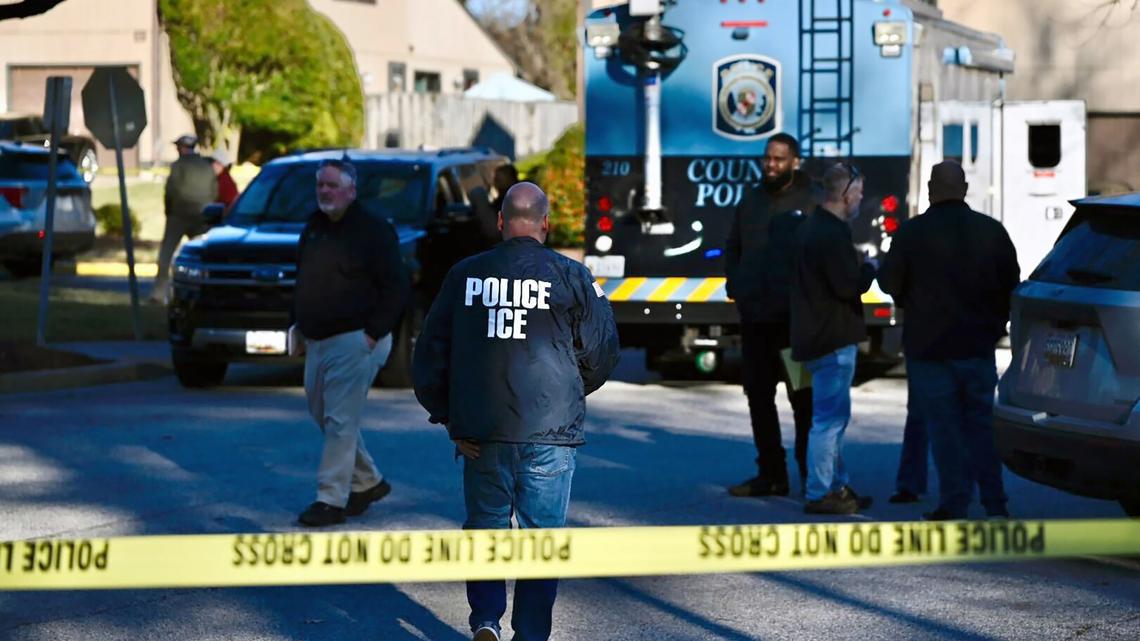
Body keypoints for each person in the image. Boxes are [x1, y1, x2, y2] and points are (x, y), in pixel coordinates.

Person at [413, 182, 620, 641]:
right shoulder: (573, 276)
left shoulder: (464, 275)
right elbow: (603, 352)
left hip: (481, 433)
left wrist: (449, 418)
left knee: (485, 530)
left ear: (502, 222)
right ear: (546, 223)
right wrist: (570, 390)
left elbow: (430, 354)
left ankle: (486, 620)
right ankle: (530, 634)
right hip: (550, 433)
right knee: (541, 540)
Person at [878, 161, 1020, 520]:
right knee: (981, 428)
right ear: (965, 188)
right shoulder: (992, 232)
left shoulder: (911, 233)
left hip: (929, 348)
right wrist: (994, 324)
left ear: (930, 190)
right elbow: (1011, 285)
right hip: (977, 345)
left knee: (944, 431)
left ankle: (955, 502)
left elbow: (889, 283)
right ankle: (995, 501)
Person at [291, 158, 411, 527]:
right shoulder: (314, 226)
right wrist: (295, 325)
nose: (325, 192)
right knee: (324, 416)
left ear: (351, 189)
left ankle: (330, 499)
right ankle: (368, 482)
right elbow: (304, 279)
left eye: (332, 185)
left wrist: (373, 332)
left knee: (340, 421)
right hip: (316, 339)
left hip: (356, 340)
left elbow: (397, 286)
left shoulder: (374, 230)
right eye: (320, 186)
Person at [724, 133, 816, 497]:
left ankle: (814, 477)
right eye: (767, 158)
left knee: (802, 401)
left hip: (795, 326)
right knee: (759, 398)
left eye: (778, 159)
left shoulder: (811, 200)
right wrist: (736, 285)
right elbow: (733, 246)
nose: (770, 165)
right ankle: (771, 474)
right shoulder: (752, 200)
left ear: (795, 161)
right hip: (756, 322)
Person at [790, 162, 876, 515]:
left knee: (831, 418)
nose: (860, 199)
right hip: (832, 339)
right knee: (828, 420)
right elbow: (846, 285)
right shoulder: (833, 233)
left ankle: (838, 486)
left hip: (812, 337)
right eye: (857, 193)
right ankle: (821, 491)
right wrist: (868, 269)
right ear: (843, 194)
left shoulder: (810, 228)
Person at [150, 134, 217, 303]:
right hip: (203, 216)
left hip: (179, 215)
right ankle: (206, 293)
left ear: (182, 148)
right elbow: (215, 191)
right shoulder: (207, 166)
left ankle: (159, 293)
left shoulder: (178, 166)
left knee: (166, 254)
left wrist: (169, 211)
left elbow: (170, 191)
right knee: (203, 256)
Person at [209, 148, 239, 214]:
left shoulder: (224, 181)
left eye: (214, 162)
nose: (211, 165)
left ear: (221, 165)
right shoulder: (220, 178)